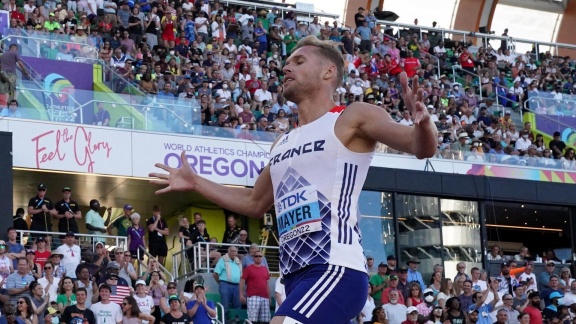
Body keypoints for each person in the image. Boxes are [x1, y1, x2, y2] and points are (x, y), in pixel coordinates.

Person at [149, 36, 437, 323]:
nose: (286, 68)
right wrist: (196, 182)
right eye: (286, 63)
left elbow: (421, 146)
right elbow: (254, 202)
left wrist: (423, 122)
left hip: (335, 268)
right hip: (292, 279)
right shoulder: (282, 143)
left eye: (299, 62)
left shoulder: (351, 117)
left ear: (328, 72)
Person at [240, 249, 270, 323]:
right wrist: (241, 295)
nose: (258, 257)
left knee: (266, 321)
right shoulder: (248, 269)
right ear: (253, 258)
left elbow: (267, 284)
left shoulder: (265, 269)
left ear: (262, 258)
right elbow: (242, 282)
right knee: (252, 320)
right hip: (253, 296)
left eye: (260, 256)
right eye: (256, 256)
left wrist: (269, 298)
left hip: (265, 297)